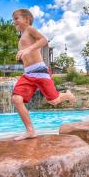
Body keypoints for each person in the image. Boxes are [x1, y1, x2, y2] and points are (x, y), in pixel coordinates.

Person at [11, 9, 76, 141]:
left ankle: (67, 95)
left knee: (54, 101)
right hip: (28, 74)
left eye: (16, 18)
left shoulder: (30, 29)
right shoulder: (21, 37)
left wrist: (28, 49)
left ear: (27, 19)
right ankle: (30, 131)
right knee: (16, 99)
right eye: (13, 19)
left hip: (40, 71)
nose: (14, 22)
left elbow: (44, 40)